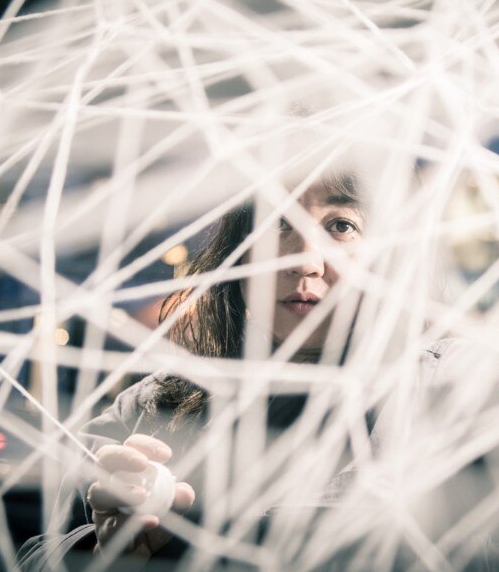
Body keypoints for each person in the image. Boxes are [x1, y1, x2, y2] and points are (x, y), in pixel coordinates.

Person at [19, 170, 372, 569]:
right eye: (278, 224)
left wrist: (181, 538)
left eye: (341, 226)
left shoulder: (430, 398)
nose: (306, 262)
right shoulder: (149, 407)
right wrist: (98, 548)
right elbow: (38, 553)